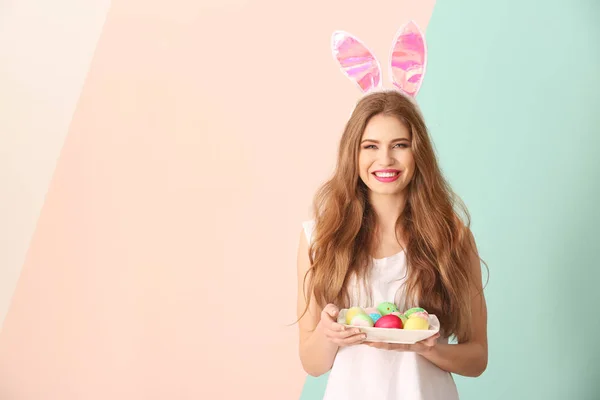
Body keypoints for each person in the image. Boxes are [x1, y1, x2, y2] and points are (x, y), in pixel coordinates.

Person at [295, 90, 488, 400]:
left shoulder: (452, 236)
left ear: (418, 152)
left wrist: (426, 347)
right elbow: (312, 363)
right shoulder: (319, 238)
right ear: (353, 154)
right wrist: (328, 335)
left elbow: (477, 357)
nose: (385, 159)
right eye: (370, 146)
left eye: (400, 145)